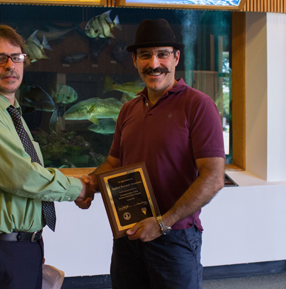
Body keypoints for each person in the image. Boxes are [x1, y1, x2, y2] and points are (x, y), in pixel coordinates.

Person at [76, 19, 225, 289]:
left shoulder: (199, 105)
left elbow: (214, 177)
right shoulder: (128, 110)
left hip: (175, 238)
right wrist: (88, 185)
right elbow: (113, 163)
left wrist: (162, 223)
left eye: (162, 54)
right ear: (134, 60)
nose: (153, 63)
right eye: (145, 55)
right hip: (129, 237)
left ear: (176, 57)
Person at [0, 24, 93, 289]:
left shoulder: (9, 111)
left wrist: (32, 241)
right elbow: (21, 175)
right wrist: (79, 188)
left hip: (19, 246)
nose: (10, 66)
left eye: (17, 57)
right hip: (2, 249)